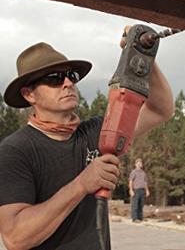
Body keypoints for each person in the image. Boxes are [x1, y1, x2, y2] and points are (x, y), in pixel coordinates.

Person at [0, 40, 174, 250]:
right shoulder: (15, 151)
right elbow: (15, 238)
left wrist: (143, 54)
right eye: (54, 78)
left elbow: (160, 110)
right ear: (29, 94)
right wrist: (82, 184)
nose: (68, 83)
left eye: (71, 75)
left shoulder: (97, 132)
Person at [129, 158, 150, 223]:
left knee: (141, 204)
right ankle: (135, 218)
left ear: (141, 165)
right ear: (135, 164)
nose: (139, 164)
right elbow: (130, 181)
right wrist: (131, 190)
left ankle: (140, 217)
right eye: (138, 163)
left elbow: (145, 182)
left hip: (142, 190)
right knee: (135, 205)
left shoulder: (143, 173)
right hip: (136, 190)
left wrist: (147, 190)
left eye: (140, 163)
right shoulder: (133, 172)